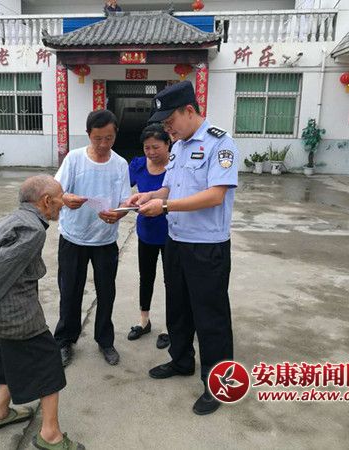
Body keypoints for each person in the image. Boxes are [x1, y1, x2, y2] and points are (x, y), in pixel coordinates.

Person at [128, 80, 239, 416]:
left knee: (210, 317)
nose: (167, 129)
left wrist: (164, 206)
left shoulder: (220, 144)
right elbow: (169, 189)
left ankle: (218, 384)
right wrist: (149, 196)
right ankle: (181, 360)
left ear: (189, 110)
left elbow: (215, 195)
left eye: (170, 121)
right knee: (178, 308)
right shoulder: (177, 146)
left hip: (206, 246)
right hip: (176, 241)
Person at [0, 175, 84, 450]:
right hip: (15, 316)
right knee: (48, 364)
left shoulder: (7, 220)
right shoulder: (33, 230)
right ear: (46, 201)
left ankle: (0, 413)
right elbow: (2, 269)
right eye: (60, 198)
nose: (63, 203)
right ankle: (50, 435)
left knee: (6, 357)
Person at [54, 109, 131, 367]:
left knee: (106, 292)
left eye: (109, 138)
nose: (103, 144)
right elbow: (56, 191)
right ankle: (64, 340)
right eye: (98, 138)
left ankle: (105, 341)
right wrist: (65, 198)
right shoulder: (74, 159)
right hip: (73, 237)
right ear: (88, 134)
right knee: (70, 291)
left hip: (105, 240)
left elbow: (125, 201)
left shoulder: (120, 164)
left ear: (115, 135)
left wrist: (119, 214)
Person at [127, 123, 171, 350]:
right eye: (147, 147)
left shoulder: (176, 166)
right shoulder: (137, 165)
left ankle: (170, 327)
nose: (151, 152)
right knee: (146, 276)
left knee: (172, 280)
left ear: (168, 144)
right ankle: (144, 320)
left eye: (156, 147)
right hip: (146, 231)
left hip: (173, 233)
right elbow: (122, 188)